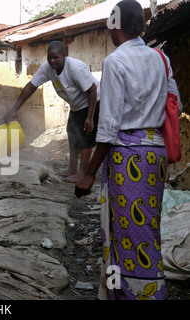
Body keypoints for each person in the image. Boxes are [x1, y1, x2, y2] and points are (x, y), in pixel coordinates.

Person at [75, 0, 182, 300]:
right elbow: (175, 105)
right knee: (148, 226)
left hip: (127, 158)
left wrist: (88, 173)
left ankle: (137, 294)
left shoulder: (114, 62)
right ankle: (128, 290)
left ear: (115, 25)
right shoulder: (161, 58)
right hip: (156, 154)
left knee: (126, 231)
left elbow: (108, 127)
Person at [3, 41, 100, 183]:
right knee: (72, 134)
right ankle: (72, 169)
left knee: (85, 136)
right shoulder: (47, 68)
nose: (52, 61)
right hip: (76, 105)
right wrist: (14, 109)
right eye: (50, 58)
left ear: (64, 55)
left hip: (93, 101)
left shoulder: (75, 68)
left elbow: (92, 90)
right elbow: (31, 86)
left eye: (56, 58)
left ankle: (82, 173)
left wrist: (90, 117)